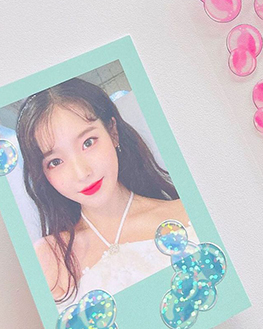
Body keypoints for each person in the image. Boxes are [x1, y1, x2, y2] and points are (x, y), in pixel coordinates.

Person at [16, 77, 195, 305]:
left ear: (113, 133)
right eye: (55, 161)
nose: (82, 173)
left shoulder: (186, 214)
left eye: (88, 142)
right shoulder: (48, 257)